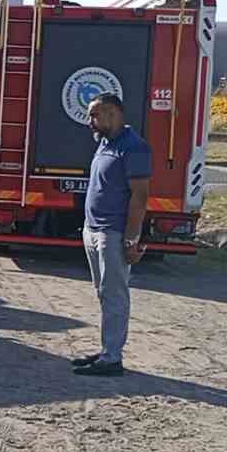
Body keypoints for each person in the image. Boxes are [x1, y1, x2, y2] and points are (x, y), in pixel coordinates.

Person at [72, 92, 150, 377]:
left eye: (94, 115)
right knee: (104, 293)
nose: (89, 121)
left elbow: (139, 198)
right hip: (93, 230)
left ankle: (113, 358)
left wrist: (131, 241)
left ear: (113, 114)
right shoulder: (105, 144)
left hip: (113, 233)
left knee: (115, 294)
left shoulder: (133, 148)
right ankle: (107, 350)